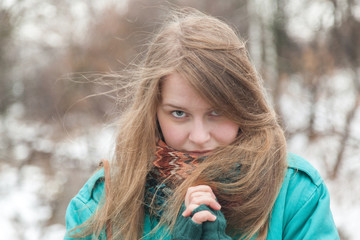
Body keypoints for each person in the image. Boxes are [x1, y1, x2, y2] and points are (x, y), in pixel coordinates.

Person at [64, 7, 339, 240]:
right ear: (153, 111)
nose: (198, 136)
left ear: (244, 106)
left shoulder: (294, 193)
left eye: (217, 112)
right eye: (179, 114)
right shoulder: (102, 203)